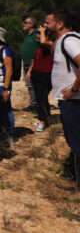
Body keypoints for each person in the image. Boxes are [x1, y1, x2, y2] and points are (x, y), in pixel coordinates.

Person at [44, 10, 80, 184]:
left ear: (59, 24)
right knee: (74, 140)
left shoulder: (69, 41)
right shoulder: (62, 41)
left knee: (76, 141)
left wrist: (73, 89)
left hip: (74, 100)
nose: (45, 25)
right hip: (71, 100)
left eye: (48, 22)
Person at [26, 25, 53, 132]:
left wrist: (42, 31)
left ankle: (43, 121)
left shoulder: (50, 44)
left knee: (40, 98)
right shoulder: (39, 47)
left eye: (39, 34)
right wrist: (29, 72)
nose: (37, 36)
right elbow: (35, 60)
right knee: (41, 97)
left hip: (46, 75)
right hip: (36, 74)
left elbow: (43, 42)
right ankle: (46, 115)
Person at [21, 17, 40, 111]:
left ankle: (35, 104)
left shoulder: (36, 34)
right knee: (30, 85)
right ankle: (34, 103)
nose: (23, 24)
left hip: (34, 64)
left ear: (31, 24)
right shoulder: (28, 35)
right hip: (26, 64)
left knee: (33, 85)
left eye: (25, 22)